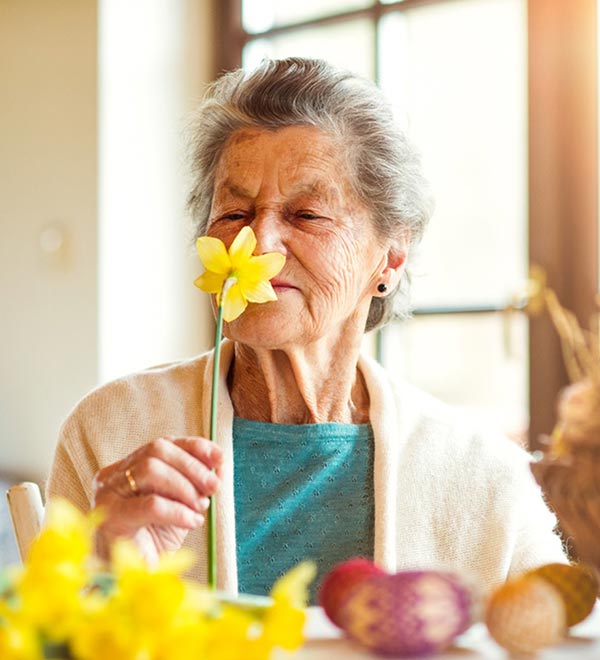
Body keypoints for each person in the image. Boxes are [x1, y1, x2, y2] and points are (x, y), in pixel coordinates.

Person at [47, 58, 566, 600]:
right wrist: (101, 570)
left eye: (307, 215)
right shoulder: (108, 432)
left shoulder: (484, 476)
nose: (260, 244)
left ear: (390, 257)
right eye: (234, 214)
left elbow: (561, 635)